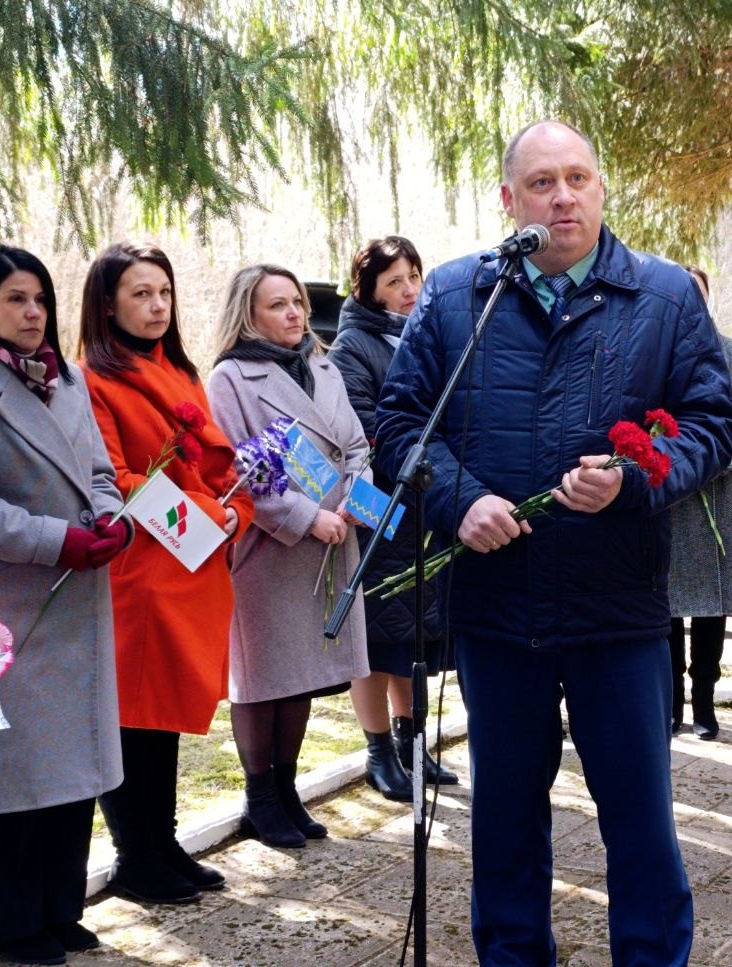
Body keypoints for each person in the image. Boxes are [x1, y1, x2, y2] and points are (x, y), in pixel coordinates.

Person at [375, 120, 732, 966]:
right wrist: (459, 501)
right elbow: (399, 424)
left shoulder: (664, 297)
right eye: (542, 183)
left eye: (578, 178)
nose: (562, 197)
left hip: (619, 608)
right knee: (504, 820)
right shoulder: (458, 295)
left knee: (640, 822)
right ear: (510, 199)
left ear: (602, 188)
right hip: (499, 610)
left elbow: (712, 423)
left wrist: (635, 479)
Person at [0, 245, 128, 965]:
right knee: (8, 767)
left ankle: (59, 909)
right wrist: (58, 539)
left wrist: (113, 519)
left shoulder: (64, 379)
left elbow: (100, 472)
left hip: (77, 599)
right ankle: (10, 925)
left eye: (40, 298)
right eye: (15, 298)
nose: (34, 311)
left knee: (73, 763)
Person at [79, 242, 254, 904]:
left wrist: (233, 510)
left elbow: (219, 465)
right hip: (142, 572)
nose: (157, 306)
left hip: (195, 562)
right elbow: (115, 479)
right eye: (141, 294)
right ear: (107, 304)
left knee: (167, 714)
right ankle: (135, 854)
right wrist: (210, 514)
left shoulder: (180, 370)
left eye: (164, 293)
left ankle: (164, 840)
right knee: (136, 714)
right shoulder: (92, 380)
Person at [207, 264, 370, 847]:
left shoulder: (322, 365)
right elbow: (239, 470)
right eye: (277, 305)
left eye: (296, 301)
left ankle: (286, 788)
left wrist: (356, 496)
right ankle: (260, 797)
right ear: (248, 313)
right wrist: (306, 517)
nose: (295, 313)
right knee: (264, 677)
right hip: (271, 549)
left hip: (334, 538)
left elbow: (355, 443)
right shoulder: (231, 378)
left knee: (300, 675)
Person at [328, 236, 455, 801]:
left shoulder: (429, 334)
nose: (409, 290)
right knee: (375, 639)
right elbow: (361, 427)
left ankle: (412, 744)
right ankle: (378, 751)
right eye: (394, 281)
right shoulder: (352, 346)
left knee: (414, 637)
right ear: (369, 290)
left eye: (414, 277)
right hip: (380, 509)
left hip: (428, 507)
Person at [667, 265, 732, 741]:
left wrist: (703, 464)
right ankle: (670, 706)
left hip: (717, 496)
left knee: (710, 608)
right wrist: (669, 466)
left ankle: (705, 703)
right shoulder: (653, 352)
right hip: (668, 497)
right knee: (665, 609)